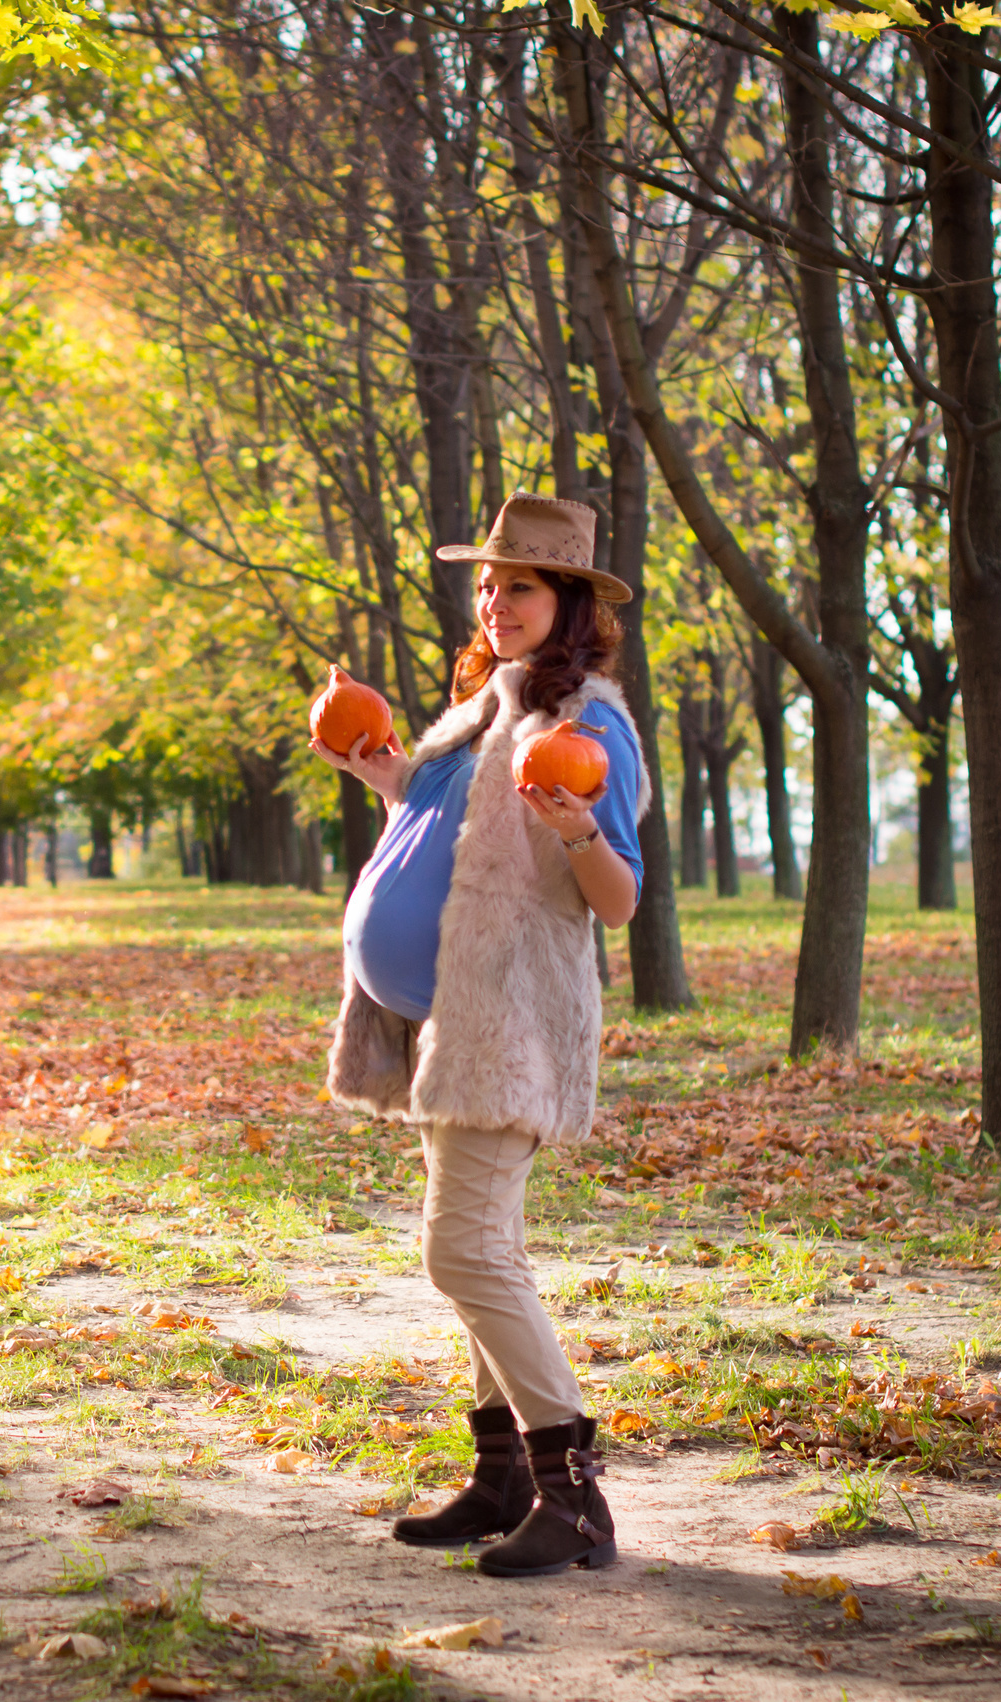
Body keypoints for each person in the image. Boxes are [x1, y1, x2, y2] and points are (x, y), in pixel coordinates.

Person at [312, 491, 645, 1579]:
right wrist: (382, 772)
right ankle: (502, 1478)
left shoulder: (585, 724)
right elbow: (448, 832)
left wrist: (582, 827)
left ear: (573, 603)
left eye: (524, 584)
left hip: (509, 1022)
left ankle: (574, 1492)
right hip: (439, 1024)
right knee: (484, 1250)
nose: (498, 601)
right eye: (491, 583)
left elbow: (618, 898)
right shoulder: (480, 709)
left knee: (461, 1250)